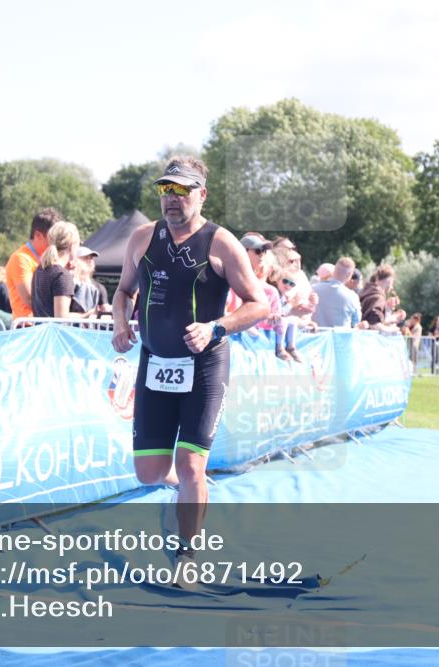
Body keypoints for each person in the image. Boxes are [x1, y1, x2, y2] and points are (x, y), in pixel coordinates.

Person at [110, 156, 268, 570]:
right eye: (166, 190)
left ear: (202, 194)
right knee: (149, 472)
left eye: (182, 190)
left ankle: (187, 551)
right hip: (155, 363)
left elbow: (259, 304)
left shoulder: (221, 242)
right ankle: (186, 498)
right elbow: (123, 292)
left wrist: (216, 327)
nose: (172, 199)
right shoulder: (142, 238)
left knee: (191, 464)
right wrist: (121, 324)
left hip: (204, 367)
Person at [6, 207, 63, 321]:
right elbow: (29, 300)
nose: (57, 242)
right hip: (27, 328)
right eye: (53, 238)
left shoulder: (51, 258)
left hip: (45, 325)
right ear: (37, 235)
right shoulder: (20, 258)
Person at [31, 222, 83, 319]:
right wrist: (86, 316)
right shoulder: (61, 275)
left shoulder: (39, 269)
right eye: (79, 244)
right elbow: (61, 318)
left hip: (40, 332)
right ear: (72, 246)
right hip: (54, 333)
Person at [311, 257, 361, 328]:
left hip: (315, 337)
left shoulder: (313, 289)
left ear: (334, 270)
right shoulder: (353, 297)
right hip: (340, 338)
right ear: (349, 274)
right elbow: (355, 322)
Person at [72, 245, 110, 316]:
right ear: (75, 260)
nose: (90, 261)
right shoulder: (69, 282)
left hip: (89, 326)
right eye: (86, 258)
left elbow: (106, 310)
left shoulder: (99, 287)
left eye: (91, 258)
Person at [360, 265, 398, 332]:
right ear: (389, 280)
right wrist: (391, 330)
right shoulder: (378, 297)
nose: (391, 287)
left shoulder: (367, 291)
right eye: (392, 283)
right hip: (368, 338)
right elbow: (374, 324)